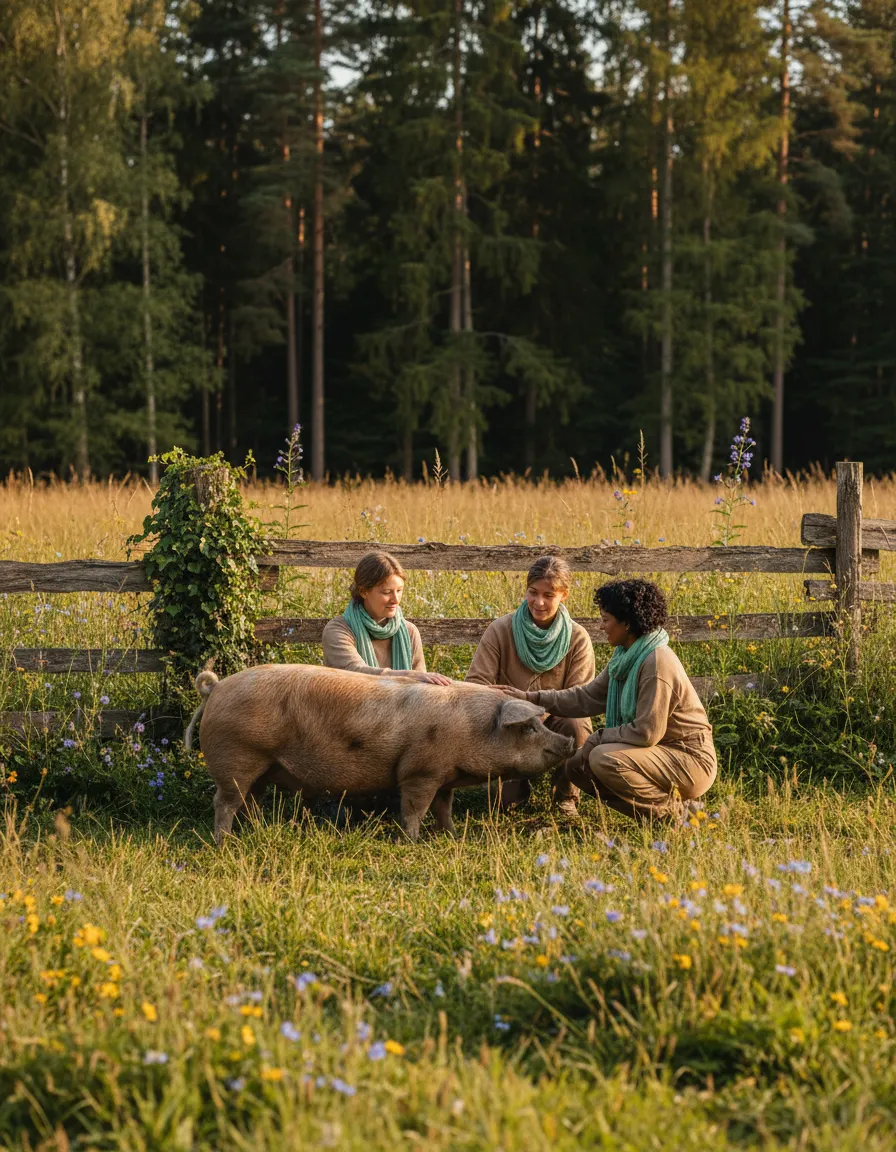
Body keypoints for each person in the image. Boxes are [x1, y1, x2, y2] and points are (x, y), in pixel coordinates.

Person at [495, 578, 716, 823]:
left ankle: (674, 816)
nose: (602, 627)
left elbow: (646, 733)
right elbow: (588, 697)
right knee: (576, 767)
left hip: (688, 757)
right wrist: (530, 698)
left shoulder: (656, 663)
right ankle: (661, 812)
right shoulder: (626, 657)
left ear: (628, 624)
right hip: (658, 754)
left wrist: (598, 737)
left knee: (603, 758)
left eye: (606, 620)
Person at [465, 555, 595, 812]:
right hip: (511, 721)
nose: (539, 602)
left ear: (564, 595)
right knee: (507, 805)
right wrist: (514, 710)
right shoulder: (500, 629)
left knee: (576, 725)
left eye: (549, 594)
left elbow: (581, 696)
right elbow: (475, 684)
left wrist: (540, 708)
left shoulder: (578, 638)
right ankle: (515, 789)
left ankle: (565, 795)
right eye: (533, 592)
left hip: (558, 717)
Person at [322, 550, 451, 685]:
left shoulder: (409, 631)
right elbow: (354, 673)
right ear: (364, 591)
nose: (395, 599)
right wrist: (407, 675)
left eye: (399, 591)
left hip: (402, 706)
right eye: (387, 592)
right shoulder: (338, 630)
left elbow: (421, 685)